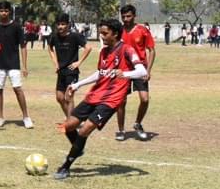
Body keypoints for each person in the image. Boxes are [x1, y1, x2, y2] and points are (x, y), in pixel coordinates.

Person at [55, 18, 149, 179]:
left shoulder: (127, 50)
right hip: (95, 94)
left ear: (115, 34)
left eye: (105, 33)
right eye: (101, 33)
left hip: (111, 100)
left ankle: (66, 166)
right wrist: (79, 84)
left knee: (84, 130)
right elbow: (100, 73)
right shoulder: (104, 51)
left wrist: (125, 74)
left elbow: (141, 71)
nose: (102, 37)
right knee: (67, 126)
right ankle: (78, 148)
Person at [0, 0, 32, 129]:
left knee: (18, 89)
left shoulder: (17, 27)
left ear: (9, 11)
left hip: (13, 63)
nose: (3, 13)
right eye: (1, 11)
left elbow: (23, 47)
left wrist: (24, 66)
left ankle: (26, 117)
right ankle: (0, 117)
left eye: (6, 11)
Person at [114, 4, 156, 141]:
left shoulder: (142, 30)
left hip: (139, 69)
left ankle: (137, 124)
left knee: (144, 99)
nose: (126, 19)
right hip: (123, 70)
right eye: (123, 16)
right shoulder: (118, 31)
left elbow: (152, 50)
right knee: (121, 101)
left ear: (134, 16)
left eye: (128, 16)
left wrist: (148, 70)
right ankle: (121, 130)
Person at [46, 13, 91, 122]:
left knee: (69, 97)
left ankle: (70, 123)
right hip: (61, 71)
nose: (60, 27)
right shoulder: (54, 36)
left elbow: (88, 48)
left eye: (63, 24)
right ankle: (72, 119)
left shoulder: (75, 36)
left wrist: (78, 62)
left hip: (72, 71)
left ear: (68, 25)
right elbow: (50, 48)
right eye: (58, 24)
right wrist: (55, 62)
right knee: (59, 97)